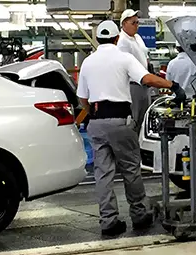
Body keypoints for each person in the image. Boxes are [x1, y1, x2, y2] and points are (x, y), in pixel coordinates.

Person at [77, 20, 186, 236]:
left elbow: (82, 98)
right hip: (120, 121)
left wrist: (93, 114)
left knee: (103, 173)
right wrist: (172, 85)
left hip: (97, 123)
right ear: (117, 38)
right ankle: (139, 214)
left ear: (98, 39)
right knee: (130, 169)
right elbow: (146, 78)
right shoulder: (123, 58)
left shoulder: (88, 62)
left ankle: (108, 220)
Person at [116, 9, 151, 130]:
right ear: (124, 24)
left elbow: (144, 55)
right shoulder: (122, 41)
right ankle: (132, 140)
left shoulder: (137, 37)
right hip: (133, 85)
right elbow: (123, 65)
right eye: (133, 23)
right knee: (134, 119)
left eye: (137, 22)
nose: (136, 26)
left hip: (144, 83)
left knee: (144, 119)